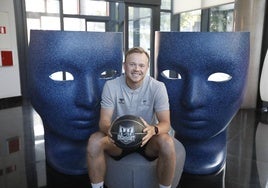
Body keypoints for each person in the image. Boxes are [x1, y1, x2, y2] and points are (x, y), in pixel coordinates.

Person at [87, 47, 179, 188]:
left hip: (147, 140)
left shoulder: (158, 87)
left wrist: (152, 130)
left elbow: (166, 123)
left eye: (141, 65)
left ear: (147, 67)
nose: (137, 69)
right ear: (124, 66)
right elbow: (103, 121)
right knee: (94, 141)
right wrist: (110, 130)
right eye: (132, 64)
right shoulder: (111, 86)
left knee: (167, 142)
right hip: (118, 139)